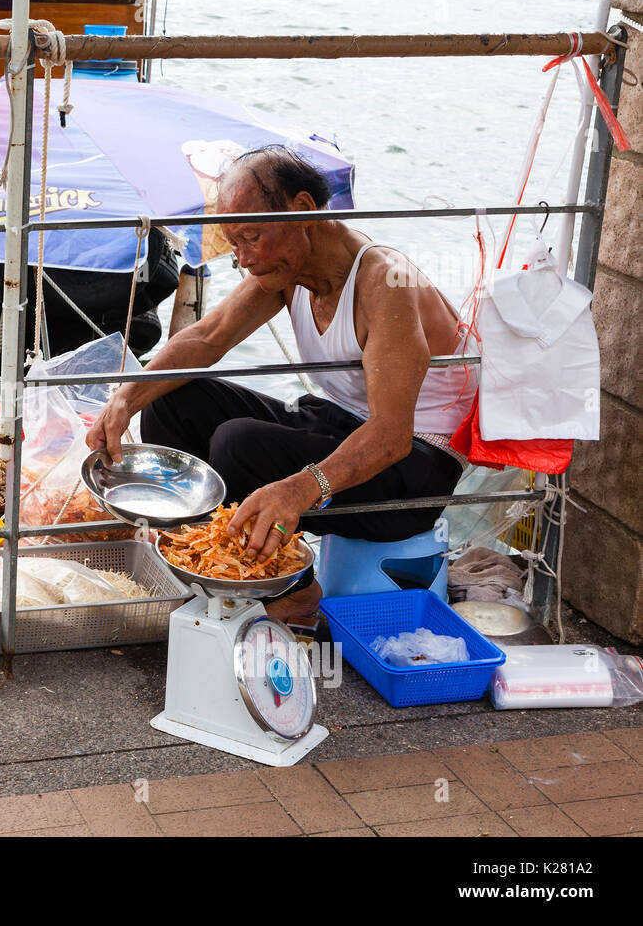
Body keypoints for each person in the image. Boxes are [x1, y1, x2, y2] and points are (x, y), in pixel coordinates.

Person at [85, 145, 476, 623]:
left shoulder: (384, 281)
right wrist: (125, 397)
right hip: (341, 424)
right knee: (174, 398)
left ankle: (290, 589)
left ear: (303, 210)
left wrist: (298, 489)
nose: (244, 259)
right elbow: (208, 337)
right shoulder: (288, 268)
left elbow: (391, 436)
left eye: (251, 237)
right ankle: (204, 556)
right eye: (234, 244)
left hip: (415, 467)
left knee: (239, 444)